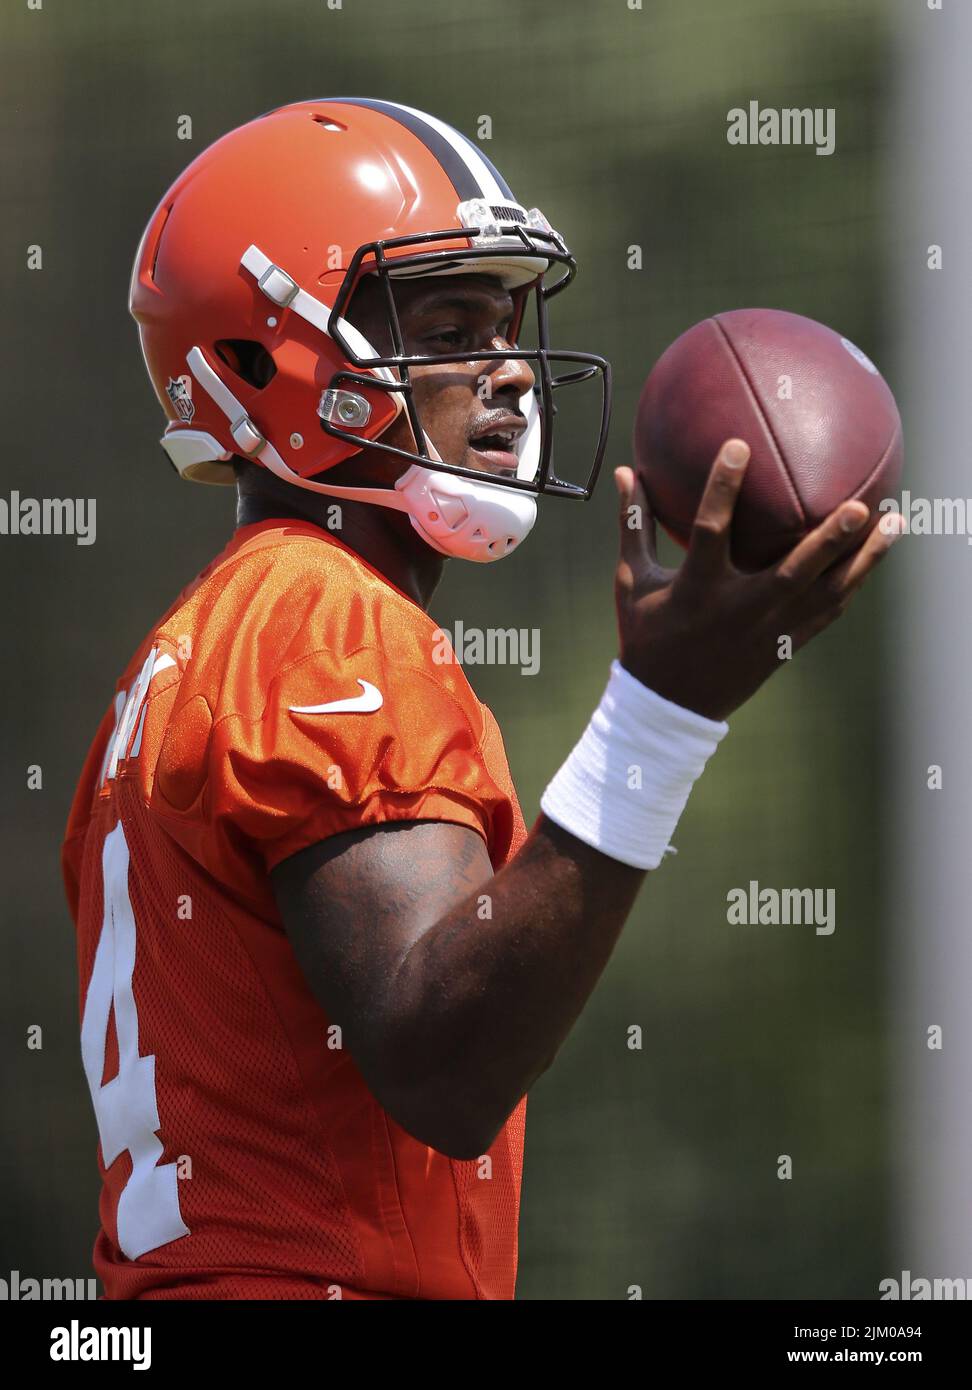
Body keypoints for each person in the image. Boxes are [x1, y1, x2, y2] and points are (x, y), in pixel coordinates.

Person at [61, 97, 902, 1300]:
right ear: (261, 360)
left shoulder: (188, 653)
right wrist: (663, 715)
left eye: (507, 323)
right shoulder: (322, 611)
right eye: (451, 324)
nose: (509, 369)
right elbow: (440, 1059)